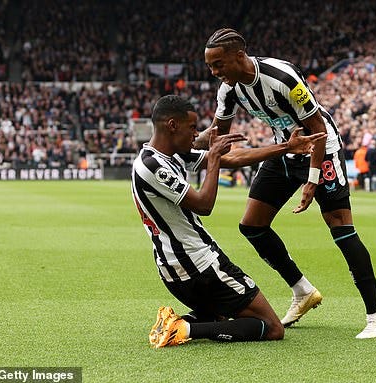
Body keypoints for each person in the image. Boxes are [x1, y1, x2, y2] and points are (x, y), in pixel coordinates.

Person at [198, 28, 376, 339]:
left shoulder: (282, 77)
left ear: (239, 56)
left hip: (320, 149)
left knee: (341, 228)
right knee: (252, 226)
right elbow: (216, 135)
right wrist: (176, 144)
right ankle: (302, 291)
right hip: (285, 149)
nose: (214, 72)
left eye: (218, 64)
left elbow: (317, 127)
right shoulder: (229, 90)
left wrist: (312, 180)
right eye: (210, 66)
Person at [131, 95, 326, 347]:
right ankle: (185, 328)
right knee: (272, 327)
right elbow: (204, 204)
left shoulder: (168, 156)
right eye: (192, 127)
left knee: (224, 315)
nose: (196, 135)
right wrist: (212, 160)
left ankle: (180, 322)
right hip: (199, 265)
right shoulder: (153, 166)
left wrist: (286, 148)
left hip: (175, 270)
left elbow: (232, 160)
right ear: (172, 125)